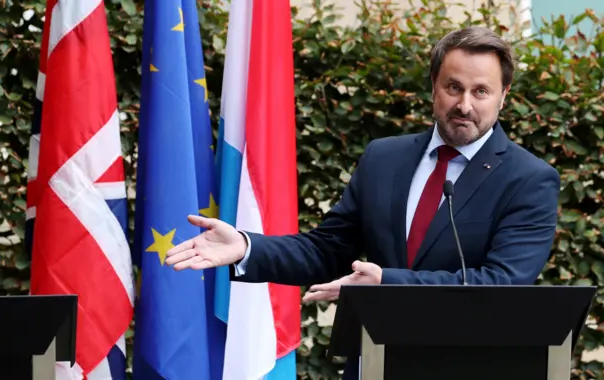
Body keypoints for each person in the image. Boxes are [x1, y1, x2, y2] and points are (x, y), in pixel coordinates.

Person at [165, 26, 560, 378]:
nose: (465, 105)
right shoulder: (384, 158)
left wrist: (387, 284)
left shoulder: (528, 180)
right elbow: (329, 248)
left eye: (481, 91)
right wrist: (247, 247)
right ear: (434, 87)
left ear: (503, 97)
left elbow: (501, 284)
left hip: (466, 367)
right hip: (373, 362)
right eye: (453, 87)